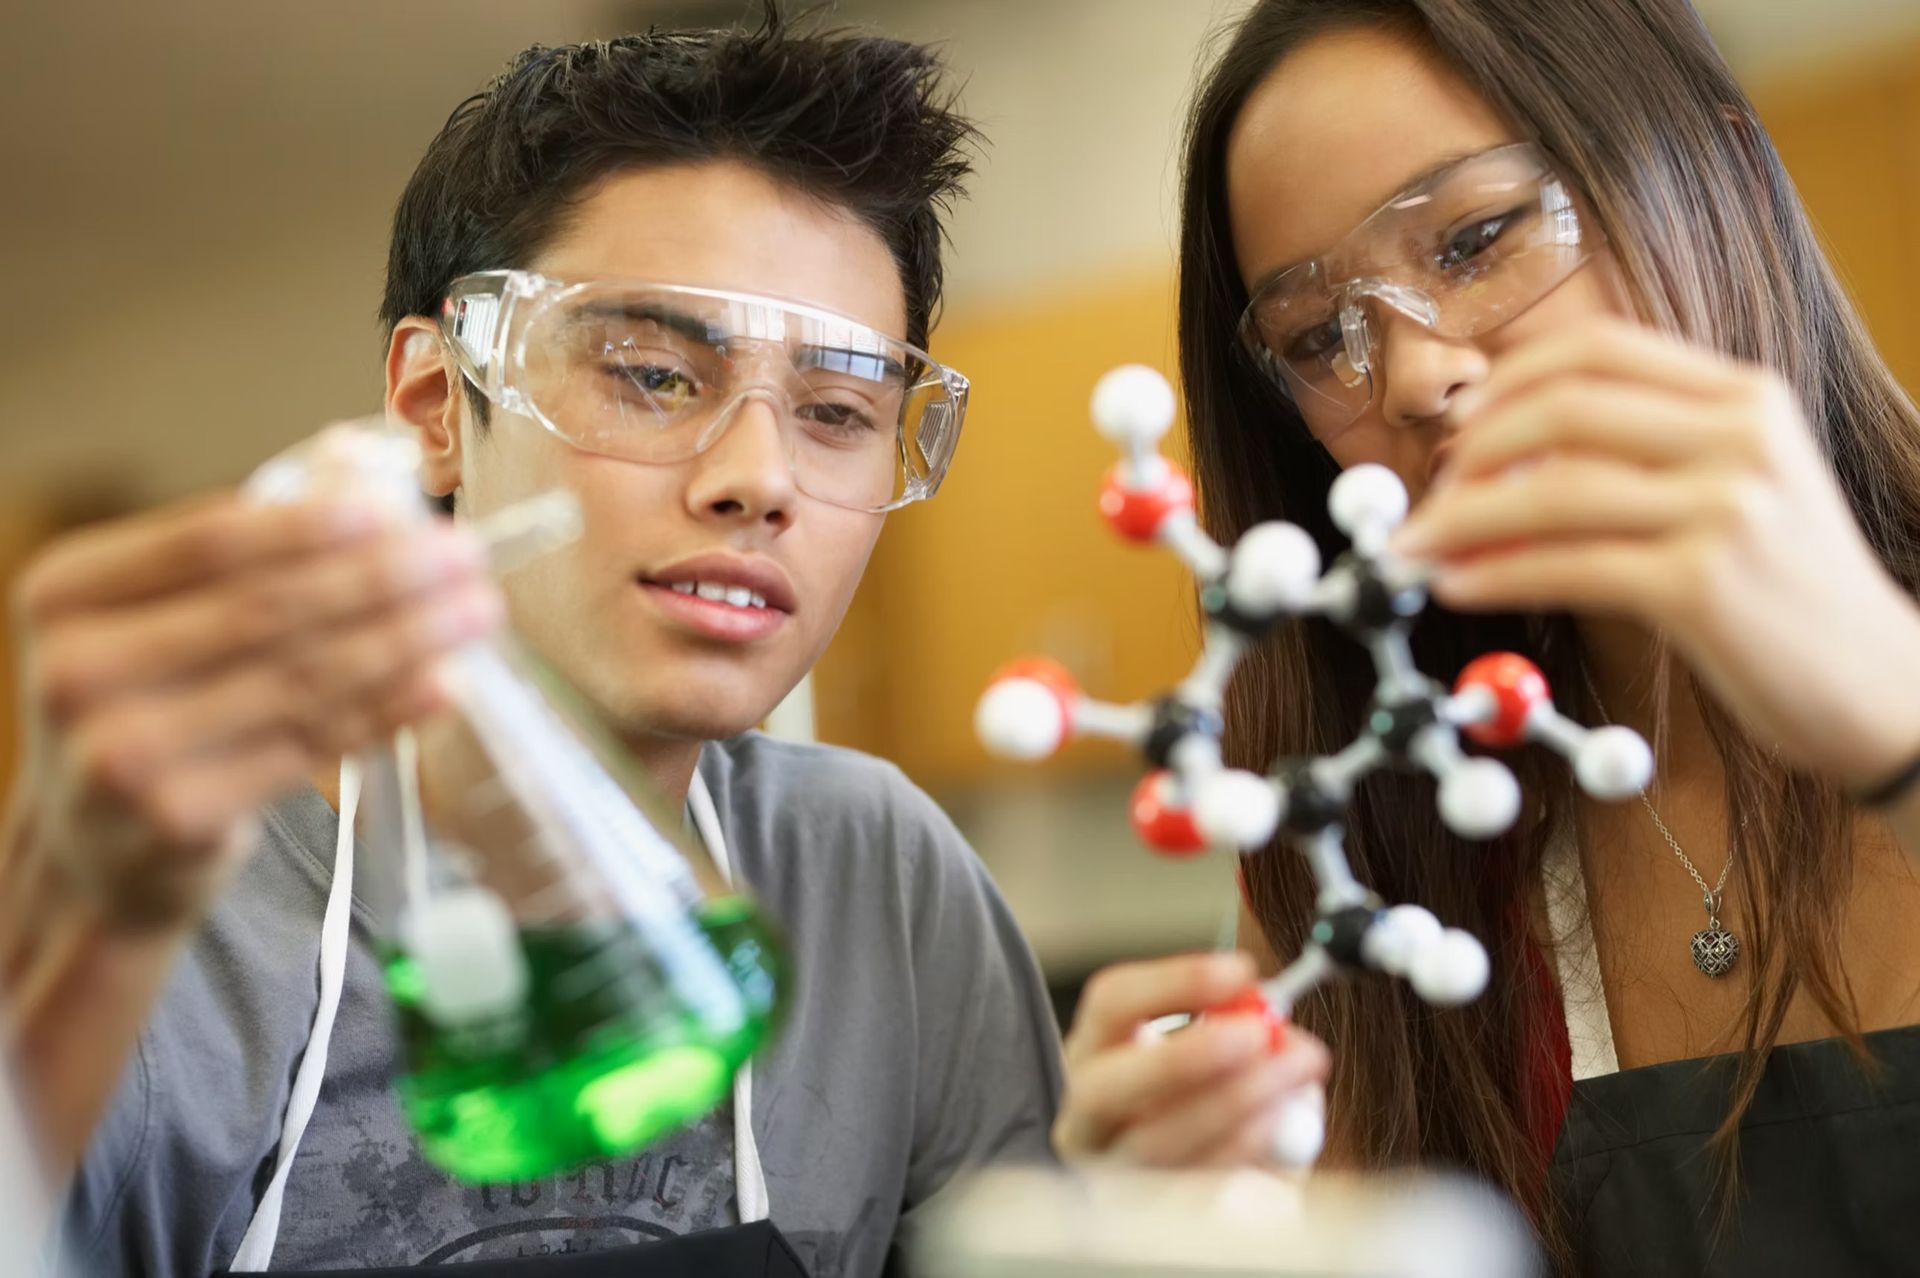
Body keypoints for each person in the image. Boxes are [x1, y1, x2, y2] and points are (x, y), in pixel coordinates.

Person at [5, 13, 1062, 1277]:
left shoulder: (875, 881)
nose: (761, 479)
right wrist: (68, 979)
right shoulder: (173, 927)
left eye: (837, 411)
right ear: (437, 406)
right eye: (655, 375)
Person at [1053, 0, 1920, 1272]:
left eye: (1474, 239)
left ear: (1724, 174)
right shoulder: (1381, 839)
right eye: (1317, 337)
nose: (1411, 376)